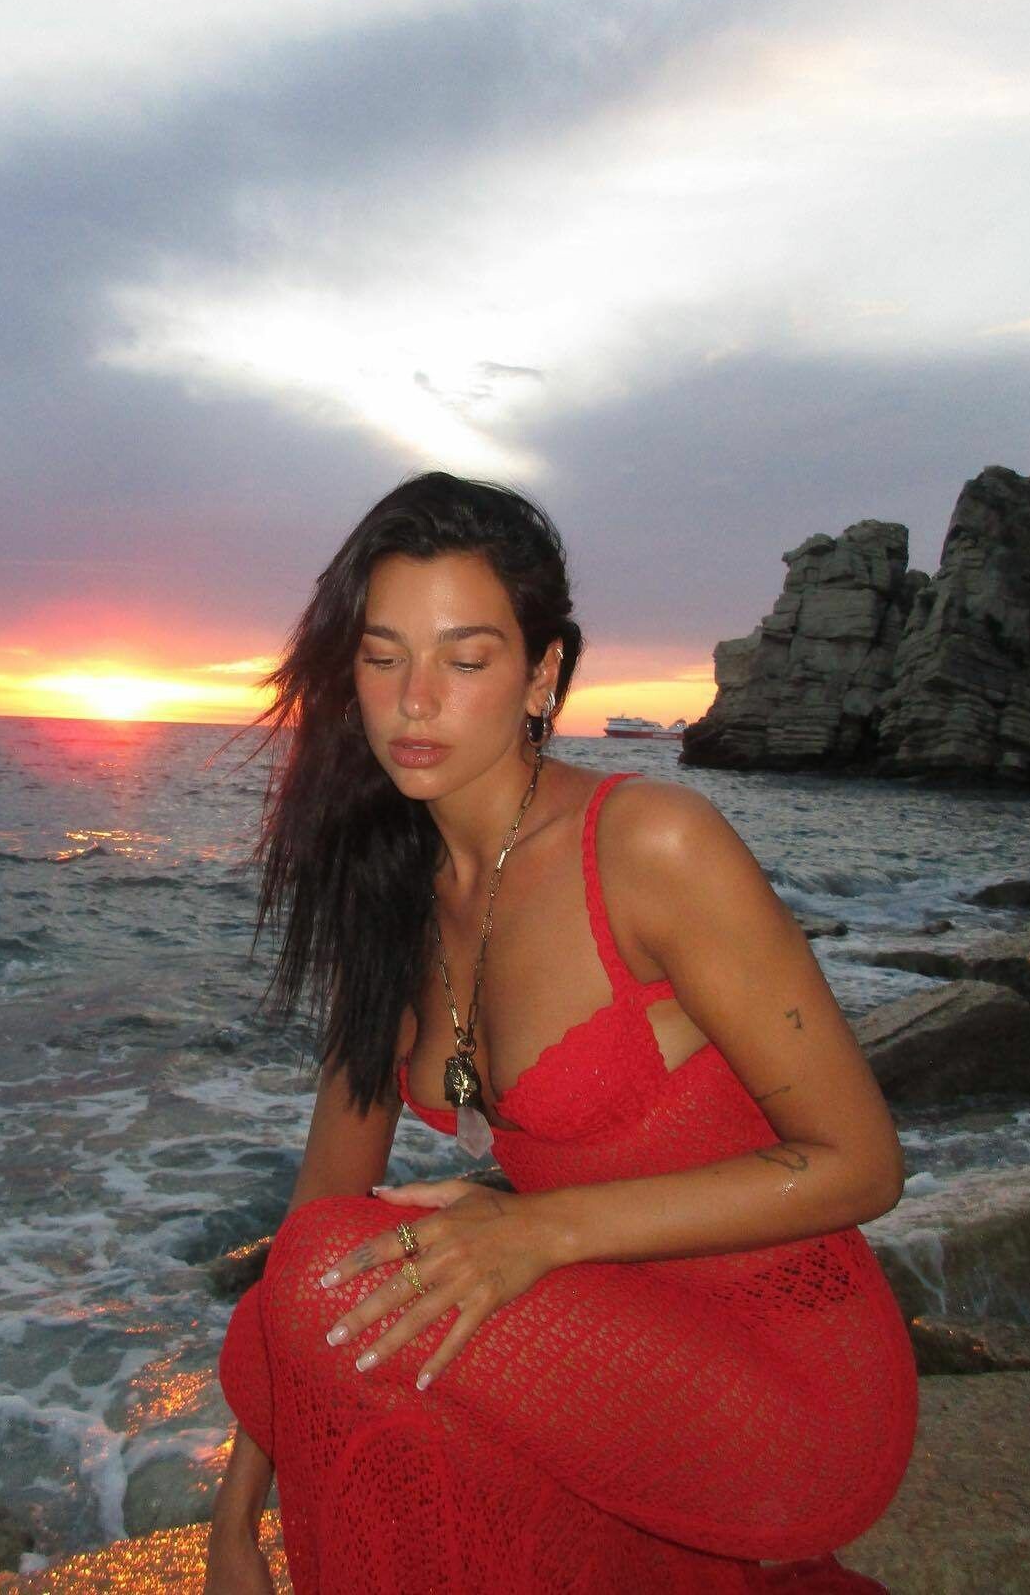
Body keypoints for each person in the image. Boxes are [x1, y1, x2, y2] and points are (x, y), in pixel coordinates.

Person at [205, 471, 916, 1594]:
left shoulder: (648, 846)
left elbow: (864, 1164)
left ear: (542, 675)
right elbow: (320, 1215)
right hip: (599, 1345)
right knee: (350, 1310)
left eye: (466, 660)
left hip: (788, 1379)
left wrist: (534, 1230)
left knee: (356, 1288)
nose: (414, 701)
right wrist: (235, 1518)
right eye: (383, 658)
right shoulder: (390, 894)